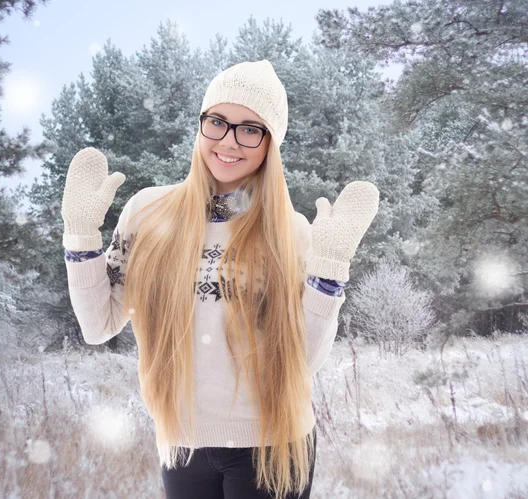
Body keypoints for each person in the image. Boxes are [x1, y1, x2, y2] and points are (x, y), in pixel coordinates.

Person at [61, 60, 379, 499]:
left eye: (251, 129)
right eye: (218, 122)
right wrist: (80, 237)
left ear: (271, 144)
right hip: (183, 441)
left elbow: (303, 360)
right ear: (202, 126)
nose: (229, 141)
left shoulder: (294, 234)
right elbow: (98, 327)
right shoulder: (147, 214)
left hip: (274, 444)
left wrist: (328, 271)